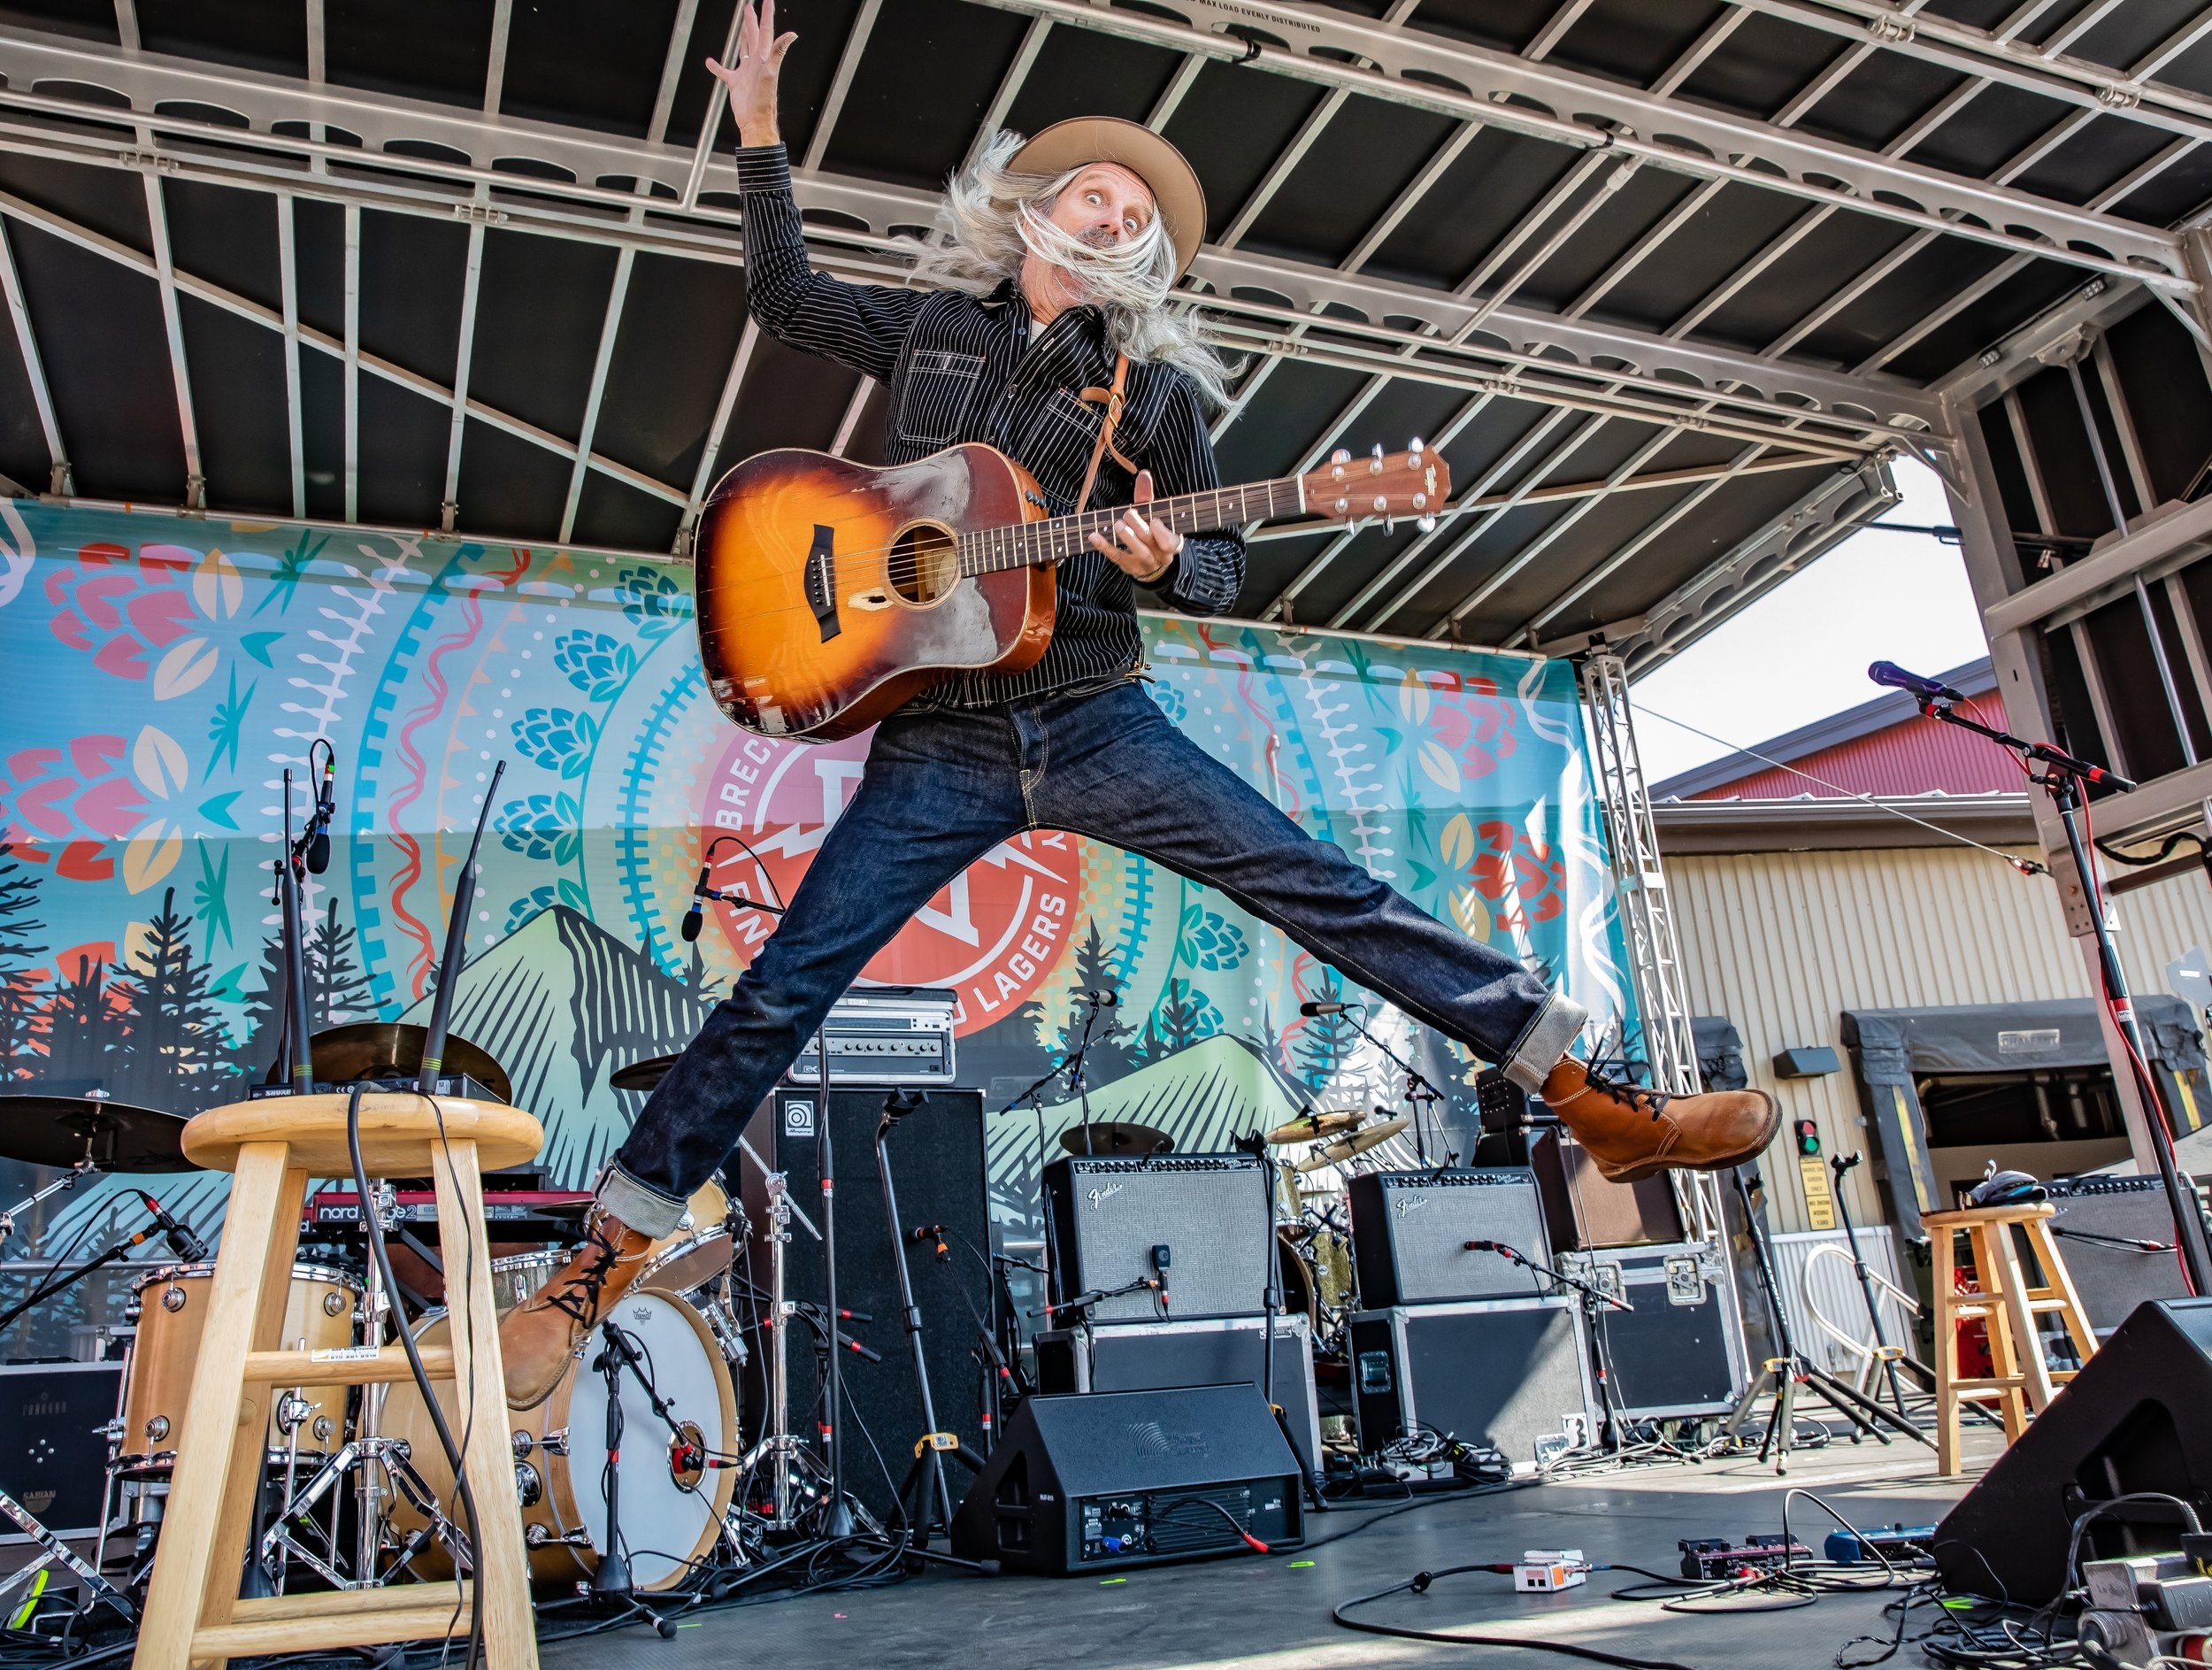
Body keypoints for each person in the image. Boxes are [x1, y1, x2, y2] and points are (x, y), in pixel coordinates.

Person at [498, 1, 1778, 1409]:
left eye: (1130, 213)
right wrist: (756, 132)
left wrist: (1174, 558)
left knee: (1320, 887)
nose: (1108, 215)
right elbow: (788, 298)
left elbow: (1220, 563)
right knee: (784, 987)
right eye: (1088, 194)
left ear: (1143, 257)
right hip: (939, 740)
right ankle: (598, 1257)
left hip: (1098, 718)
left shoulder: (1149, 393)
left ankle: (1590, 1100)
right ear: (1032, 215)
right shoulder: (930, 330)